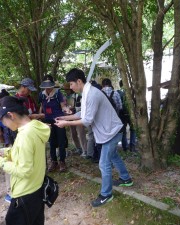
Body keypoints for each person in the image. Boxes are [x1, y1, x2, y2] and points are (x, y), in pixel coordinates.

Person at [55, 68, 133, 207]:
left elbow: (87, 120)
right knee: (114, 156)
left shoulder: (91, 94)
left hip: (112, 132)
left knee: (103, 164)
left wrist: (66, 123)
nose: (70, 87)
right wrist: (65, 117)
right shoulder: (86, 92)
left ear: (79, 81)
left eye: (71, 84)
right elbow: (82, 114)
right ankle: (126, 179)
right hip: (109, 131)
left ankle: (106, 194)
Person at [0, 96, 50, 225]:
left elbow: (24, 171)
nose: (3, 124)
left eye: (3, 120)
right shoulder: (34, 126)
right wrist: (5, 152)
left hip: (25, 193)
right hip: (36, 188)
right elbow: (27, 152)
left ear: (11, 115)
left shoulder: (24, 136)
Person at [38, 75, 70, 172]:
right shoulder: (41, 94)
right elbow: (41, 105)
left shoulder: (58, 93)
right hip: (47, 121)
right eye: (46, 85)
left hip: (59, 119)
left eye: (50, 85)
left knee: (61, 141)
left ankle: (62, 161)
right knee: (51, 141)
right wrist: (39, 115)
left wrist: (66, 110)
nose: (48, 88)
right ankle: (53, 161)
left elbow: (63, 105)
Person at [62, 82, 87, 157]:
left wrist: (72, 108)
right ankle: (78, 147)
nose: (66, 91)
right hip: (70, 117)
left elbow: (80, 108)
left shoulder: (77, 95)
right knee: (73, 133)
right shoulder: (66, 97)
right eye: (65, 90)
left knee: (81, 133)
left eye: (67, 89)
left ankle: (85, 150)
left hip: (78, 116)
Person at [118, 80, 137, 152]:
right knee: (133, 129)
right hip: (130, 113)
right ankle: (132, 146)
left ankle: (125, 147)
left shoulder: (119, 93)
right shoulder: (130, 93)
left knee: (123, 131)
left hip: (122, 114)